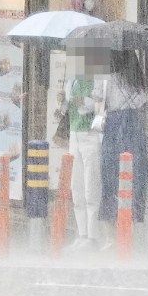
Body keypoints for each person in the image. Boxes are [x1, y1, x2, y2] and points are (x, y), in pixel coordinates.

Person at [98, 51, 148, 250]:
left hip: (113, 128)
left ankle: (111, 237)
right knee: (133, 180)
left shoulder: (106, 77)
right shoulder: (137, 80)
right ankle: (128, 233)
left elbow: (96, 99)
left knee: (110, 181)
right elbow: (143, 103)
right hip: (134, 130)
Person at [59, 76, 105, 252]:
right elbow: (66, 109)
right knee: (76, 186)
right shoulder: (73, 80)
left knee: (90, 186)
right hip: (74, 134)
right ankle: (82, 233)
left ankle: (93, 236)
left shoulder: (98, 79)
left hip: (91, 134)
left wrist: (85, 101)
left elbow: (102, 107)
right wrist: (62, 103)